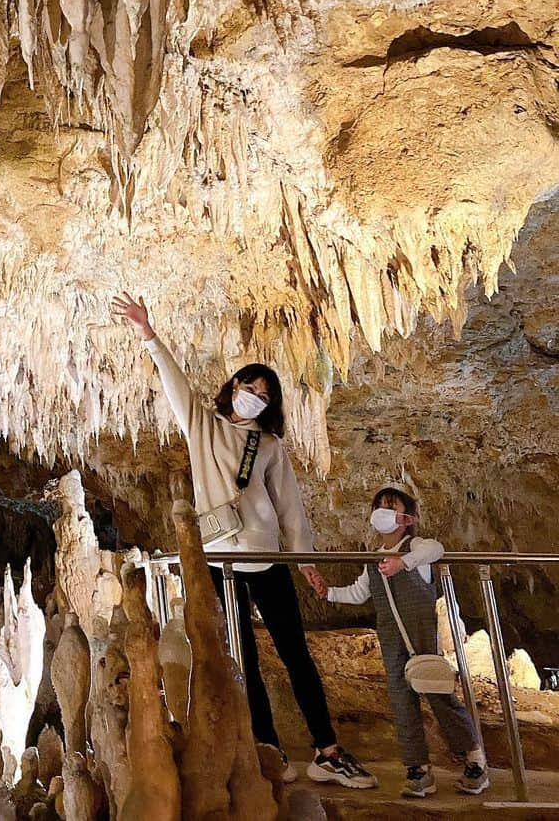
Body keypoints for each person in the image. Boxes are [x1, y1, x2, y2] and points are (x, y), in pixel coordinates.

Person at [113, 292, 377, 790]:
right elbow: (176, 387)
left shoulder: (270, 445)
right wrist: (148, 334)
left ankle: (328, 749)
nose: (255, 397)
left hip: (265, 556)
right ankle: (268, 748)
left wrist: (304, 559)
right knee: (242, 657)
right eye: (250, 388)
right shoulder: (203, 428)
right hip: (219, 559)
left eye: (264, 395)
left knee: (295, 651)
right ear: (234, 386)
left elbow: (289, 505)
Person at [314, 486, 490, 798]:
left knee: (439, 694)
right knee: (401, 702)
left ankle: (474, 759)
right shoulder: (374, 559)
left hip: (420, 637)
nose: (382, 510)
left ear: (407, 517)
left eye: (390, 505)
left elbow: (435, 549)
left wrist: (403, 562)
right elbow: (358, 592)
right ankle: (418, 769)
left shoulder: (416, 547)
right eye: (379, 505)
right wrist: (328, 592)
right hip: (391, 639)